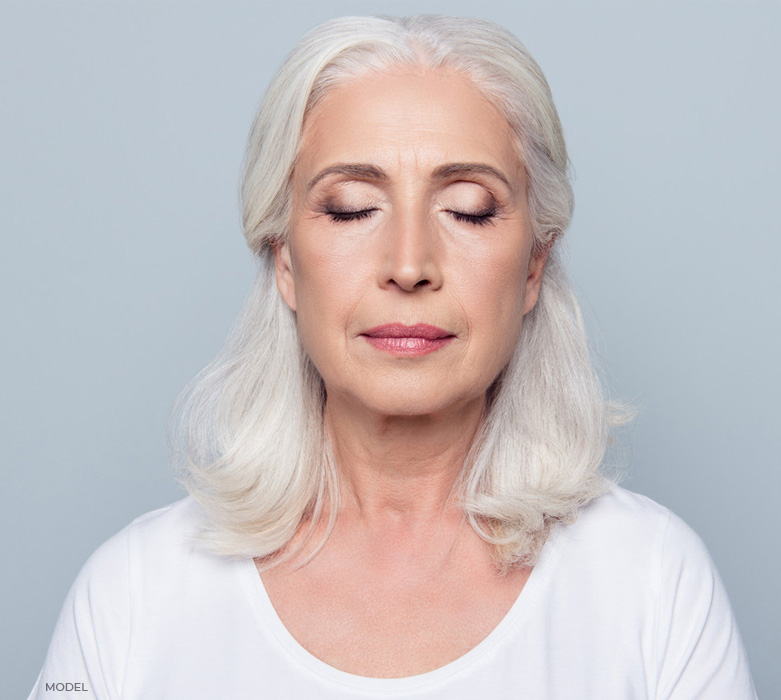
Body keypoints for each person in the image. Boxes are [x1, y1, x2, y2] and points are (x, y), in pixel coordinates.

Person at [29, 14, 757, 699]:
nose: (408, 264)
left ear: (534, 264)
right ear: (283, 258)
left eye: (468, 208)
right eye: (350, 207)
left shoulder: (652, 581)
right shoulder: (133, 593)